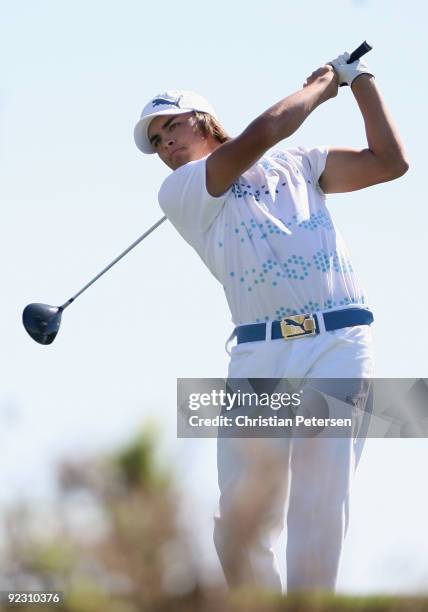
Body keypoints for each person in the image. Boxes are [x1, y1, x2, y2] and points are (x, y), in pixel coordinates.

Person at [133, 52, 408, 592]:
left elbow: (389, 162)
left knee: (320, 498)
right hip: (260, 355)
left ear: (204, 121)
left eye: (172, 127)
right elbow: (266, 129)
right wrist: (324, 84)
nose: (166, 145)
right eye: (157, 143)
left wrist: (360, 81)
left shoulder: (299, 163)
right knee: (238, 517)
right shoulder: (181, 192)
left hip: (340, 342)